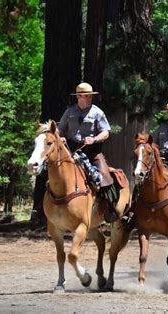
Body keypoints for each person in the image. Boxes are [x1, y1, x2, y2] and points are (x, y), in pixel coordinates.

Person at [57, 82, 118, 223]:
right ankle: (49, 207)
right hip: (71, 151)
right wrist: (59, 137)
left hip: (92, 152)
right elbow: (60, 130)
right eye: (86, 95)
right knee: (55, 173)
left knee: (105, 178)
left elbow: (106, 132)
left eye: (91, 95)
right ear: (78, 96)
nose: (89, 98)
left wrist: (95, 139)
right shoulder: (69, 112)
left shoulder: (97, 112)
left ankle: (109, 209)